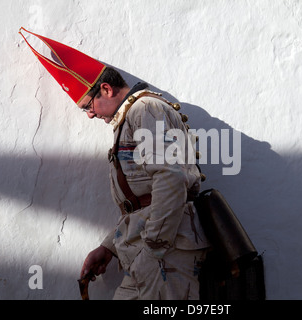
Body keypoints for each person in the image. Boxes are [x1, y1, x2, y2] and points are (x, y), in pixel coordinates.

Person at [19, 28, 210, 300]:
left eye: (88, 106)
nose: (89, 115)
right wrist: (109, 247)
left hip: (166, 252)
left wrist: (153, 249)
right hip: (153, 252)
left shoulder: (145, 110)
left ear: (106, 89)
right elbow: (141, 200)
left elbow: (170, 178)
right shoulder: (132, 116)